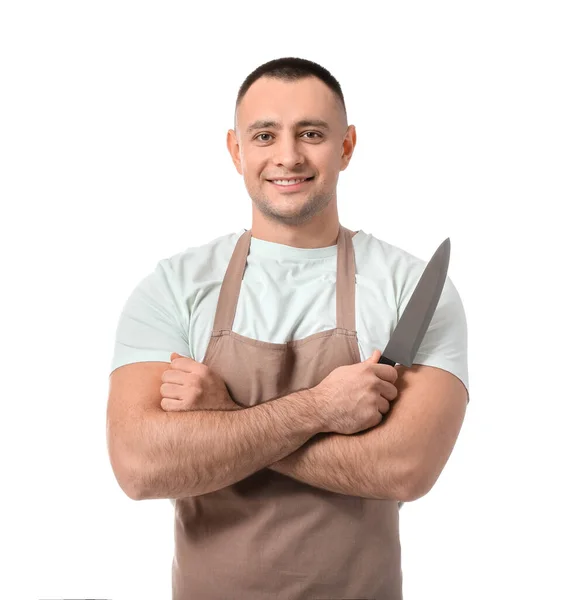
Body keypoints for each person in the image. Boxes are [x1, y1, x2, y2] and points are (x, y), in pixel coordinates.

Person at [107, 56, 470, 600]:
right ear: (236, 150)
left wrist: (225, 418)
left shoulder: (411, 288)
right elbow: (140, 467)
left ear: (345, 146)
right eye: (264, 134)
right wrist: (321, 410)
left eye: (311, 133)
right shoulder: (175, 287)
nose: (287, 156)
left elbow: (405, 468)